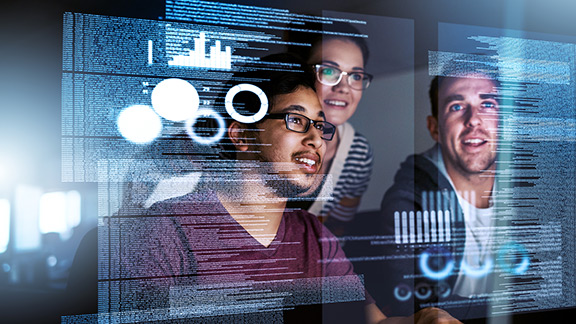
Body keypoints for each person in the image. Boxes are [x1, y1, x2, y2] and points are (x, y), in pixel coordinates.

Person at [108, 54, 459, 324]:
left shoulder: (313, 235)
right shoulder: (162, 233)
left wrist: (421, 319)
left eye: (321, 127)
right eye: (296, 119)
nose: (315, 139)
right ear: (243, 135)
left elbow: (370, 321)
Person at [379, 57, 502, 319]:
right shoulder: (407, 202)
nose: (474, 120)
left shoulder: (534, 188)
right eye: (457, 106)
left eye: (487, 104)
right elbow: (414, 306)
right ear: (434, 128)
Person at [288, 23, 374, 236]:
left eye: (355, 76)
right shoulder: (265, 136)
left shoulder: (358, 152)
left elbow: (338, 229)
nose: (343, 87)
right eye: (328, 71)